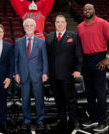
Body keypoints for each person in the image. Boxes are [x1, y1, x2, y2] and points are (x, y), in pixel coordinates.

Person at [45, 15, 83, 130]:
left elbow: (79, 54)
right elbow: (46, 56)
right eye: (57, 22)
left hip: (68, 74)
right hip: (53, 74)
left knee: (70, 98)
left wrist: (78, 69)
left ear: (66, 23)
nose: (60, 24)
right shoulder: (49, 37)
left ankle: (74, 119)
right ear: (55, 24)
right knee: (58, 99)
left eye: (62, 22)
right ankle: (61, 119)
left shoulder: (73, 36)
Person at [77, 4, 109, 132]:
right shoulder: (79, 27)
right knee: (89, 93)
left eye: (89, 9)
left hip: (99, 59)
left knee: (100, 93)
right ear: (82, 12)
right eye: (85, 9)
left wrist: (107, 59)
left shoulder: (103, 23)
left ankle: (103, 121)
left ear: (94, 10)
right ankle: (94, 118)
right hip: (86, 60)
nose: (87, 11)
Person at [14, 18, 48, 132]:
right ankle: (26, 120)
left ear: (34, 27)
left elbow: (45, 59)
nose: (29, 27)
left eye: (31, 25)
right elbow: (16, 60)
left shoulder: (41, 42)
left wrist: (45, 72)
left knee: (39, 99)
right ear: (24, 28)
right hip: (23, 75)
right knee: (25, 100)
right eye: (26, 26)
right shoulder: (18, 42)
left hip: (37, 75)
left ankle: (40, 121)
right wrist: (17, 73)